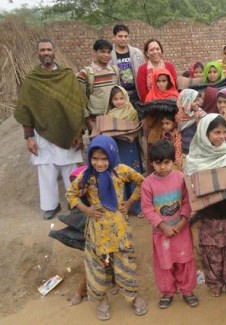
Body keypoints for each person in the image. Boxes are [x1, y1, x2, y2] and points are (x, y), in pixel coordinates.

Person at [66, 135, 147, 320]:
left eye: (104, 158)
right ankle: (102, 299)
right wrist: (86, 209)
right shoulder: (86, 176)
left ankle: (134, 297)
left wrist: (130, 202)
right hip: (97, 229)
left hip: (119, 228)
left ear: (111, 155)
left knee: (125, 262)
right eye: (95, 159)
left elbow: (143, 182)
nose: (100, 163)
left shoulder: (120, 171)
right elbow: (70, 194)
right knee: (97, 266)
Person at [14, 39, 86, 220]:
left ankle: (74, 203)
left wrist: (78, 132)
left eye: (49, 49)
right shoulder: (31, 80)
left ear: (54, 51)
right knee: (45, 169)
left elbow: (77, 105)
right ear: (38, 53)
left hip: (68, 131)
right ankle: (50, 206)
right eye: (42, 50)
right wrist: (28, 137)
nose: (46, 53)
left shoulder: (67, 76)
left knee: (69, 168)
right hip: (42, 133)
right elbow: (25, 109)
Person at [184, 114, 226, 297]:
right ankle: (214, 283)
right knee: (210, 250)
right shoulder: (194, 159)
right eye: (216, 132)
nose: (221, 136)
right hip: (208, 215)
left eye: (224, 132)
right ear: (205, 134)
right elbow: (191, 187)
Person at [141, 140, 198, 309]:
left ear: (174, 161)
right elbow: (147, 208)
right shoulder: (148, 184)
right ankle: (168, 292)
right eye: (158, 163)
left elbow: (187, 202)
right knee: (164, 263)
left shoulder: (181, 178)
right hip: (161, 234)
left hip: (182, 230)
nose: (163, 167)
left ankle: (187, 290)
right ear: (152, 163)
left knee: (185, 260)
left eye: (167, 162)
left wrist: (183, 222)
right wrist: (162, 226)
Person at [103, 86, 143, 215]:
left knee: (133, 174)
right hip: (117, 147)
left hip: (130, 147)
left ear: (126, 98)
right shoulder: (109, 115)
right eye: (115, 99)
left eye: (121, 98)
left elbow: (136, 128)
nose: (119, 101)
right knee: (119, 175)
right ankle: (122, 207)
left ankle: (138, 207)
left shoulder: (132, 112)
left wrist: (127, 133)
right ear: (111, 101)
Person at [77, 39, 120, 132]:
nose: (106, 55)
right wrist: (89, 122)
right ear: (94, 52)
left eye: (108, 52)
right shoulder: (85, 73)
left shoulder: (115, 71)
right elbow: (80, 101)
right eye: (102, 52)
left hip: (115, 118)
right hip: (96, 120)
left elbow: (120, 94)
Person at [111, 24, 145, 105]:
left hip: (136, 95)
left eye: (126, 36)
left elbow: (143, 73)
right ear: (114, 37)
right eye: (120, 36)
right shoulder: (110, 54)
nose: (123, 39)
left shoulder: (137, 53)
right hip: (119, 97)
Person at [175, 88, 206, 156]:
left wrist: (199, 123)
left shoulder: (201, 114)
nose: (198, 103)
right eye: (195, 100)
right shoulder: (179, 116)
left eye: (198, 99)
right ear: (186, 102)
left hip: (198, 151)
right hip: (184, 150)